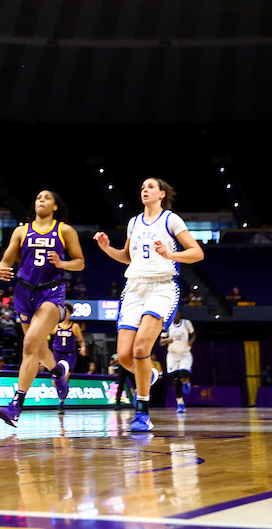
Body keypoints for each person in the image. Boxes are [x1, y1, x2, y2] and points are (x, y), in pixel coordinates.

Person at [94, 178, 203, 432]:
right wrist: (107, 248)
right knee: (123, 356)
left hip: (162, 286)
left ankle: (142, 412)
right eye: (142, 187)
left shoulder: (170, 220)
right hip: (134, 288)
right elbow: (127, 257)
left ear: (161, 194)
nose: (145, 190)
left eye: (150, 187)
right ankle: (150, 375)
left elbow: (197, 253)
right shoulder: (133, 222)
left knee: (142, 346)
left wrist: (170, 254)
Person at [0, 191, 85, 427]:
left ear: (55, 206)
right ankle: (57, 374)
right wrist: (0, 269)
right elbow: (6, 260)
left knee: (30, 343)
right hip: (24, 292)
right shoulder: (21, 230)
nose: (41, 200)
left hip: (51, 292)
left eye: (46, 198)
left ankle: (16, 406)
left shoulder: (64, 230)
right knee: (38, 347)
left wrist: (62, 263)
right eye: (38, 197)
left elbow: (80, 262)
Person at [50, 312, 86, 412]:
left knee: (64, 377)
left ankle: (62, 402)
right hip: (57, 354)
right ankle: (63, 394)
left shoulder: (74, 326)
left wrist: (83, 348)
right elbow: (46, 333)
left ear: (70, 314)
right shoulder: (56, 325)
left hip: (69, 355)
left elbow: (81, 340)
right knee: (54, 382)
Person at [162, 316, 195, 414]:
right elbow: (161, 342)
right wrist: (167, 340)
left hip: (184, 353)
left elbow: (193, 335)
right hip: (172, 355)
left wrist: (191, 342)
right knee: (175, 380)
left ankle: (186, 381)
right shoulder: (167, 326)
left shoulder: (186, 323)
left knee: (182, 374)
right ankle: (180, 404)